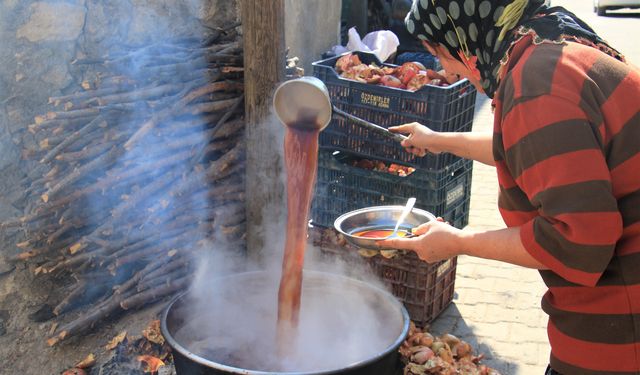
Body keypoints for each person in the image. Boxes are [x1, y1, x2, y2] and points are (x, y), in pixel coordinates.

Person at [377, 1, 640, 374]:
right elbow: (529, 146)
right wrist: (438, 139)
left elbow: (578, 241)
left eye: (441, 55)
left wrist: (458, 242)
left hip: (620, 329)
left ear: (463, 39)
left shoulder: (537, 83)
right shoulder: (548, 41)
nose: (445, 70)